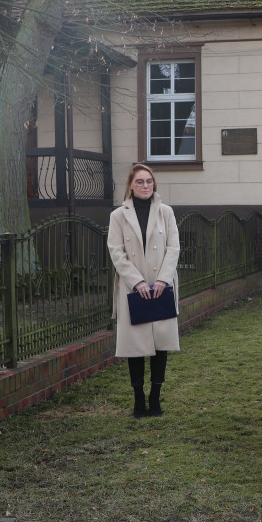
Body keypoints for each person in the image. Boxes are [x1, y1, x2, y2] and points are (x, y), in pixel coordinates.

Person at [108, 163, 180, 418]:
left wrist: (163, 279)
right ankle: (138, 398)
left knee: (161, 344)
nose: (146, 186)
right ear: (130, 184)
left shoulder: (166, 212)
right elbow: (116, 252)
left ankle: (155, 397)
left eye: (149, 181)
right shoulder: (118, 216)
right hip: (133, 287)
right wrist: (136, 281)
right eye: (140, 181)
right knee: (136, 346)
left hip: (161, 287)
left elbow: (174, 248)